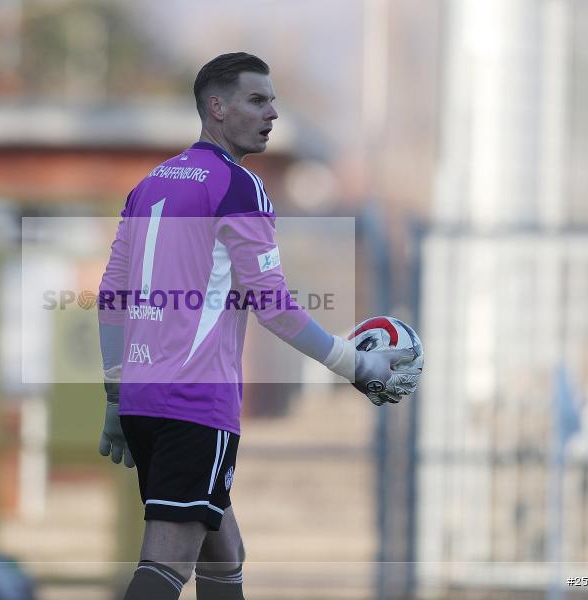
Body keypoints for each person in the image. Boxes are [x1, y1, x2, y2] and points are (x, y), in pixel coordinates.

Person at [97, 52, 419, 600]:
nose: (272, 112)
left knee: (224, 551)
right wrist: (355, 363)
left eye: (273, 100)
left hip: (146, 400)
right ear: (216, 107)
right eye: (257, 99)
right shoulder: (237, 186)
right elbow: (271, 304)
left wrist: (113, 396)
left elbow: (111, 296)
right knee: (167, 562)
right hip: (194, 405)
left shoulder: (151, 184)